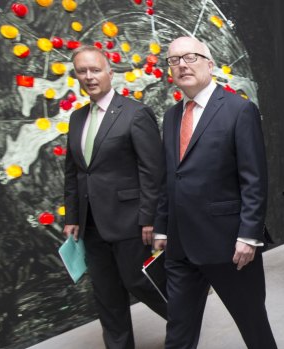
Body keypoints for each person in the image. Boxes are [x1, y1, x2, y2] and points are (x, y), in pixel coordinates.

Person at [153, 36, 277, 349]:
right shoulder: (170, 118)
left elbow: (254, 179)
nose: (182, 64)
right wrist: (161, 227)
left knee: (254, 327)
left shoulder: (239, 110)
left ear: (210, 64)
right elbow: (170, 177)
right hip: (180, 247)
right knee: (178, 332)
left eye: (190, 57)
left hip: (229, 246)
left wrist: (249, 236)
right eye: (174, 60)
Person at [63, 45, 167, 349]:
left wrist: (150, 217)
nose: (89, 76)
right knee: (106, 294)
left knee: (140, 282)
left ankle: (184, 320)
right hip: (91, 223)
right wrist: (72, 217)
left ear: (110, 72)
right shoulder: (76, 118)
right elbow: (74, 172)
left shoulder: (134, 113)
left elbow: (152, 170)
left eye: (95, 69)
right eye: (82, 71)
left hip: (131, 220)